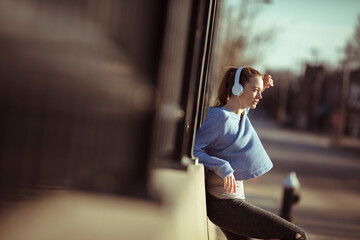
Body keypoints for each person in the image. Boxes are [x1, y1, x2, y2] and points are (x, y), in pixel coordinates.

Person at [193, 67, 307, 240]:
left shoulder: (239, 114)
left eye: (260, 91)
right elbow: (193, 148)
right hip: (224, 204)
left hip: (232, 201)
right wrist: (221, 166)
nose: (260, 96)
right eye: (255, 90)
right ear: (237, 88)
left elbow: (241, 112)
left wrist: (262, 85)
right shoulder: (220, 118)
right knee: (298, 236)